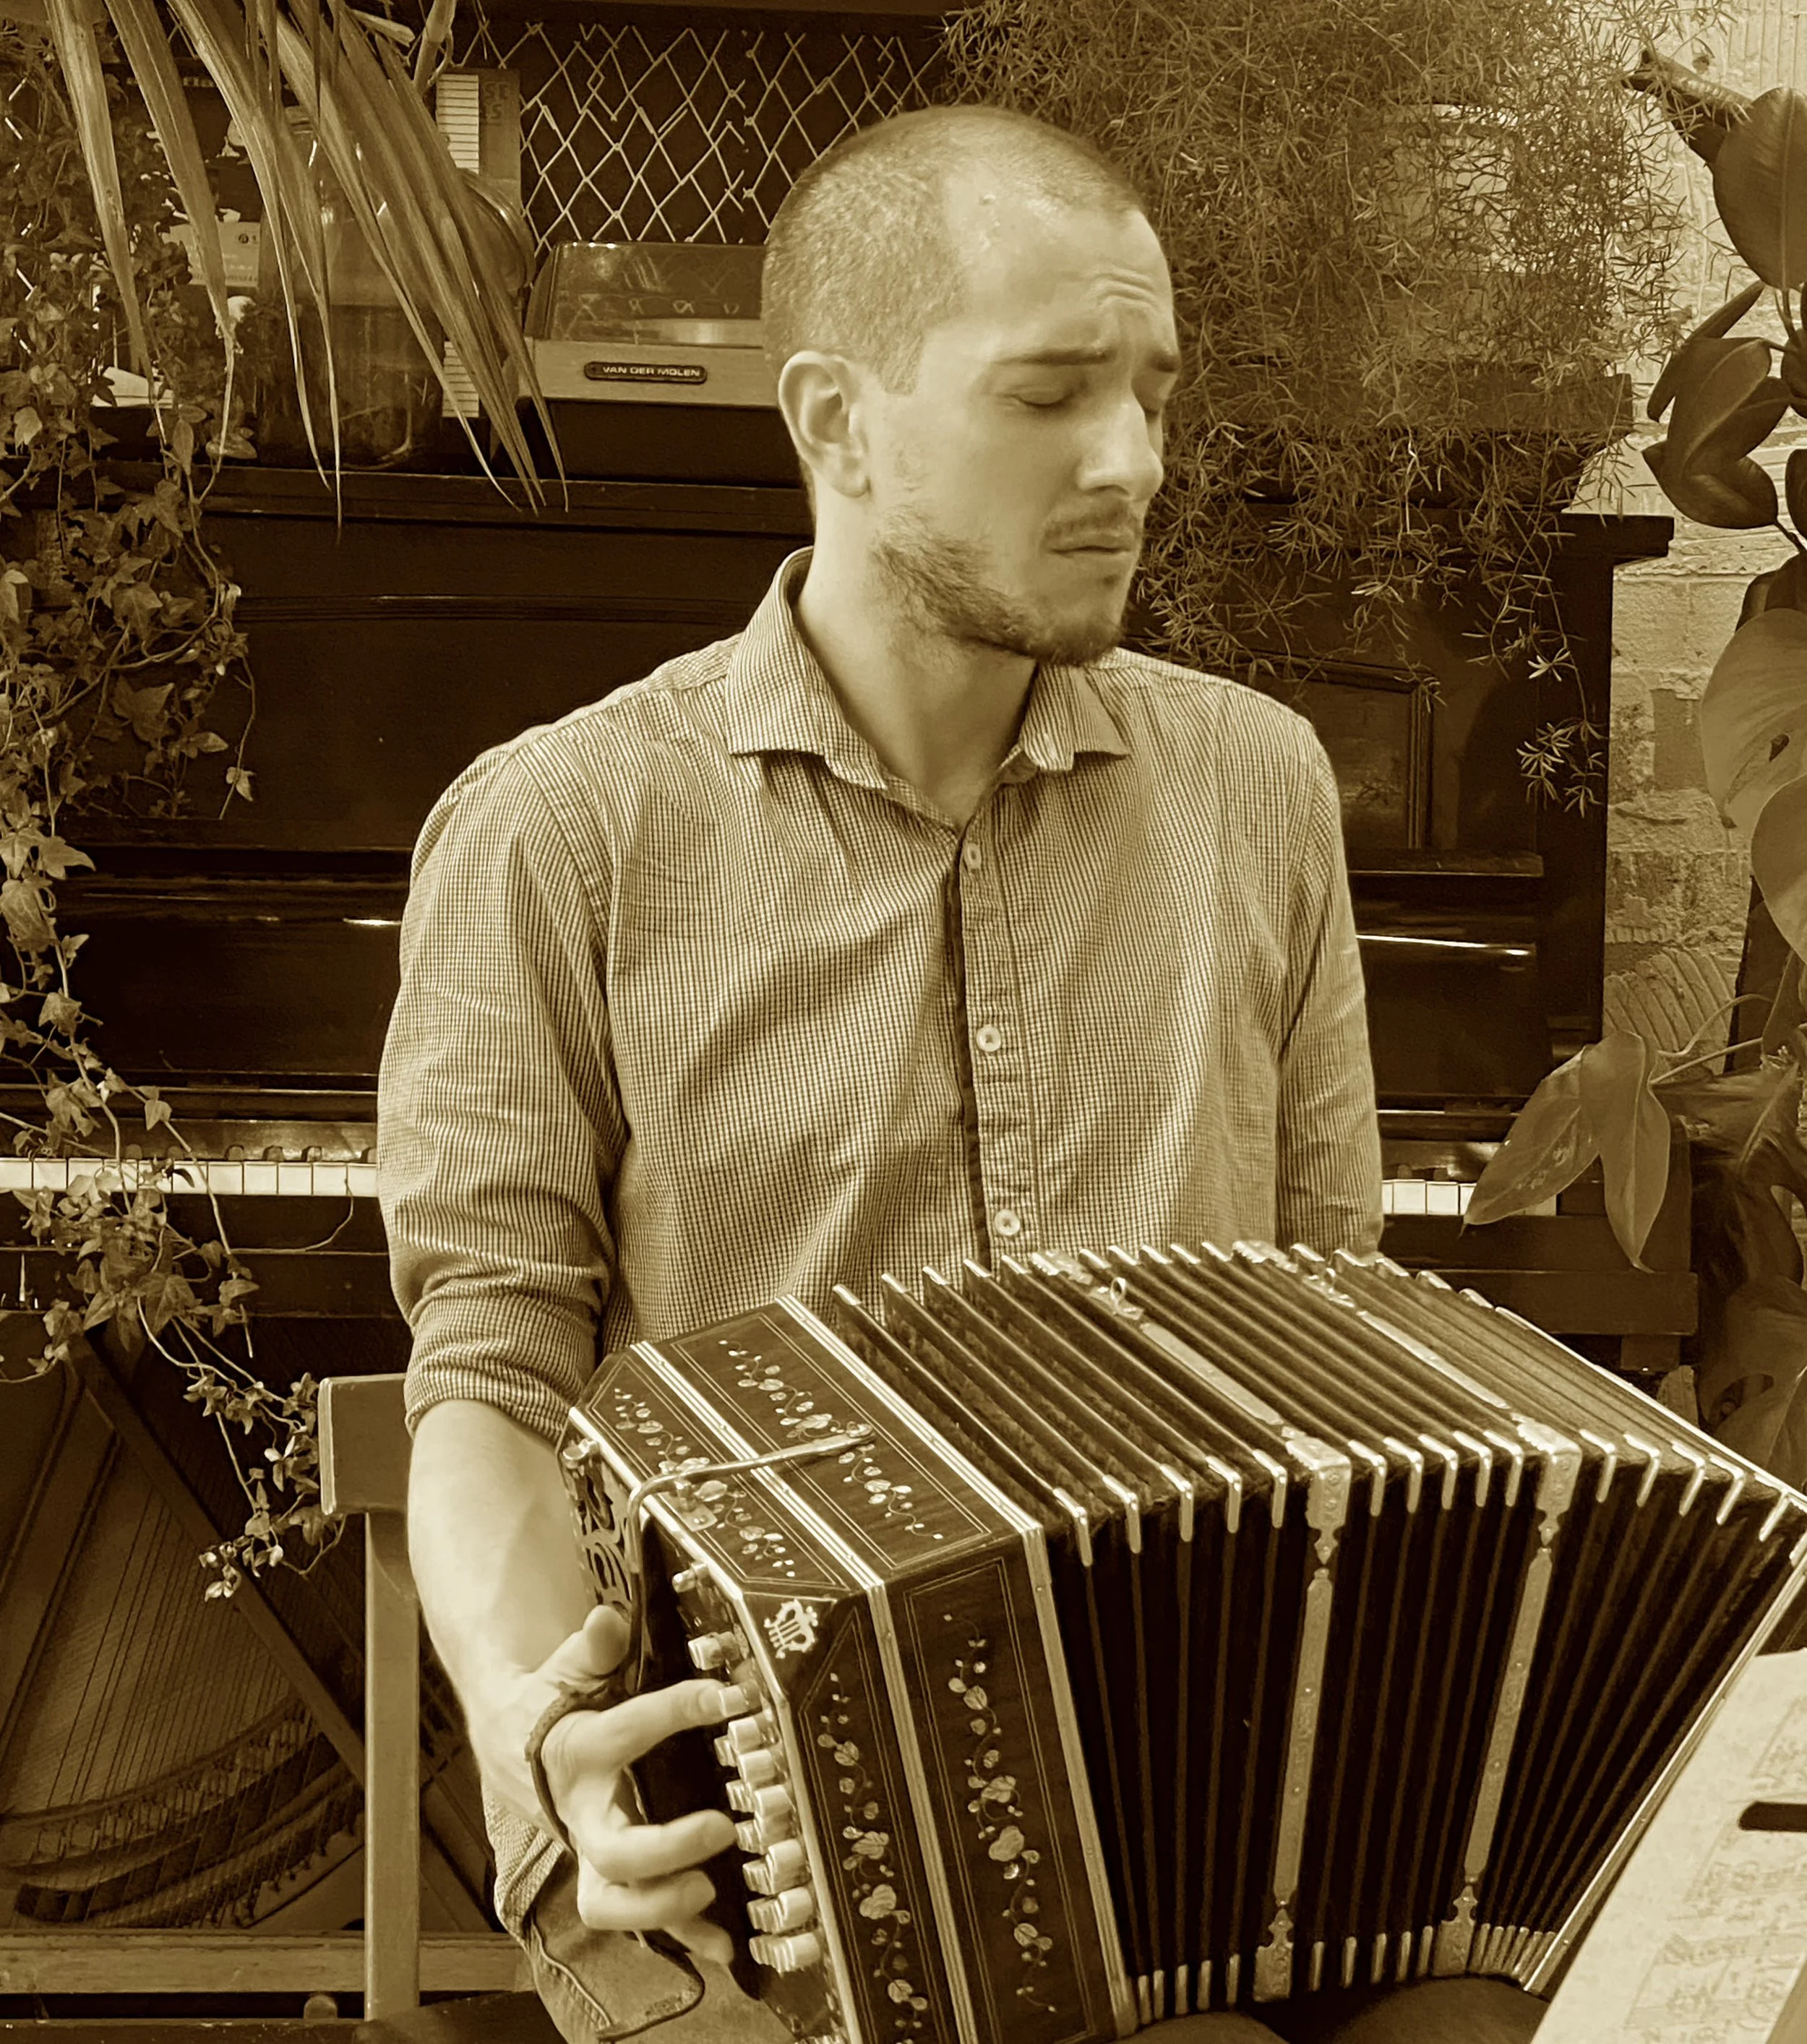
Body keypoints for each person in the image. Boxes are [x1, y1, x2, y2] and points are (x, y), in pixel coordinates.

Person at [379, 103, 1543, 2044]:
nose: (1133, 463)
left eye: (1153, 394)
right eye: (1051, 395)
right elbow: (490, 1370)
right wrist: (533, 1727)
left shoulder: (1257, 790)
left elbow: (1328, 1320)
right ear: (834, 422)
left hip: (1199, 1777)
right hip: (740, 1816)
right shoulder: (555, 828)